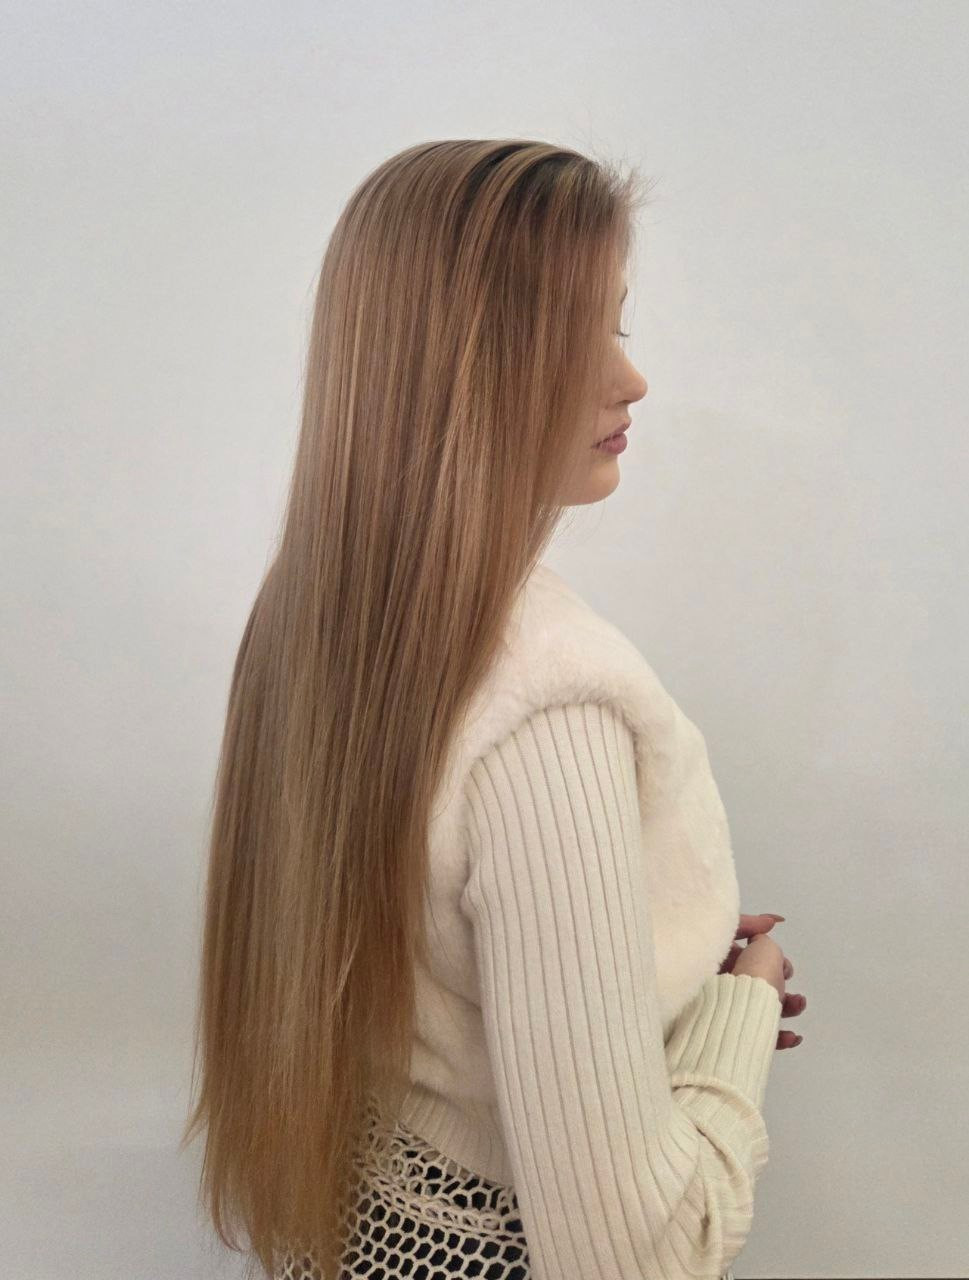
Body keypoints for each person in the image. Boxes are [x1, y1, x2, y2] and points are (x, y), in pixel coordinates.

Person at [182, 138, 804, 1280]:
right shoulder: (546, 707)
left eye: (620, 324)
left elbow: (431, 975)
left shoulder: (315, 607)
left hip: (357, 1236)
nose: (631, 380)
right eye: (576, 334)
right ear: (461, 366)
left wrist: (649, 956)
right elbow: (636, 1258)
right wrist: (739, 1014)